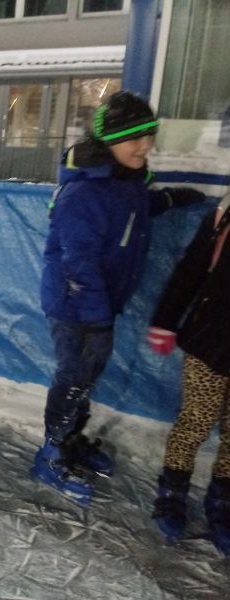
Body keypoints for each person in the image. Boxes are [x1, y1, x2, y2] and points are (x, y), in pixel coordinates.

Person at [34, 90, 206, 505]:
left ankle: (71, 440)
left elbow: (134, 208)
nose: (145, 145)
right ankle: (50, 454)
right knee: (74, 378)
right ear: (109, 141)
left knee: (85, 377)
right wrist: (96, 317)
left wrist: (171, 199)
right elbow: (78, 261)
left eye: (149, 135)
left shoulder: (123, 181)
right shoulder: (85, 192)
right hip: (76, 306)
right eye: (134, 137)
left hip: (97, 306)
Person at [149, 194, 230, 556]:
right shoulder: (224, 214)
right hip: (209, 341)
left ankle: (222, 498)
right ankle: (173, 489)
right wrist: (165, 320)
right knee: (195, 420)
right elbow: (191, 270)